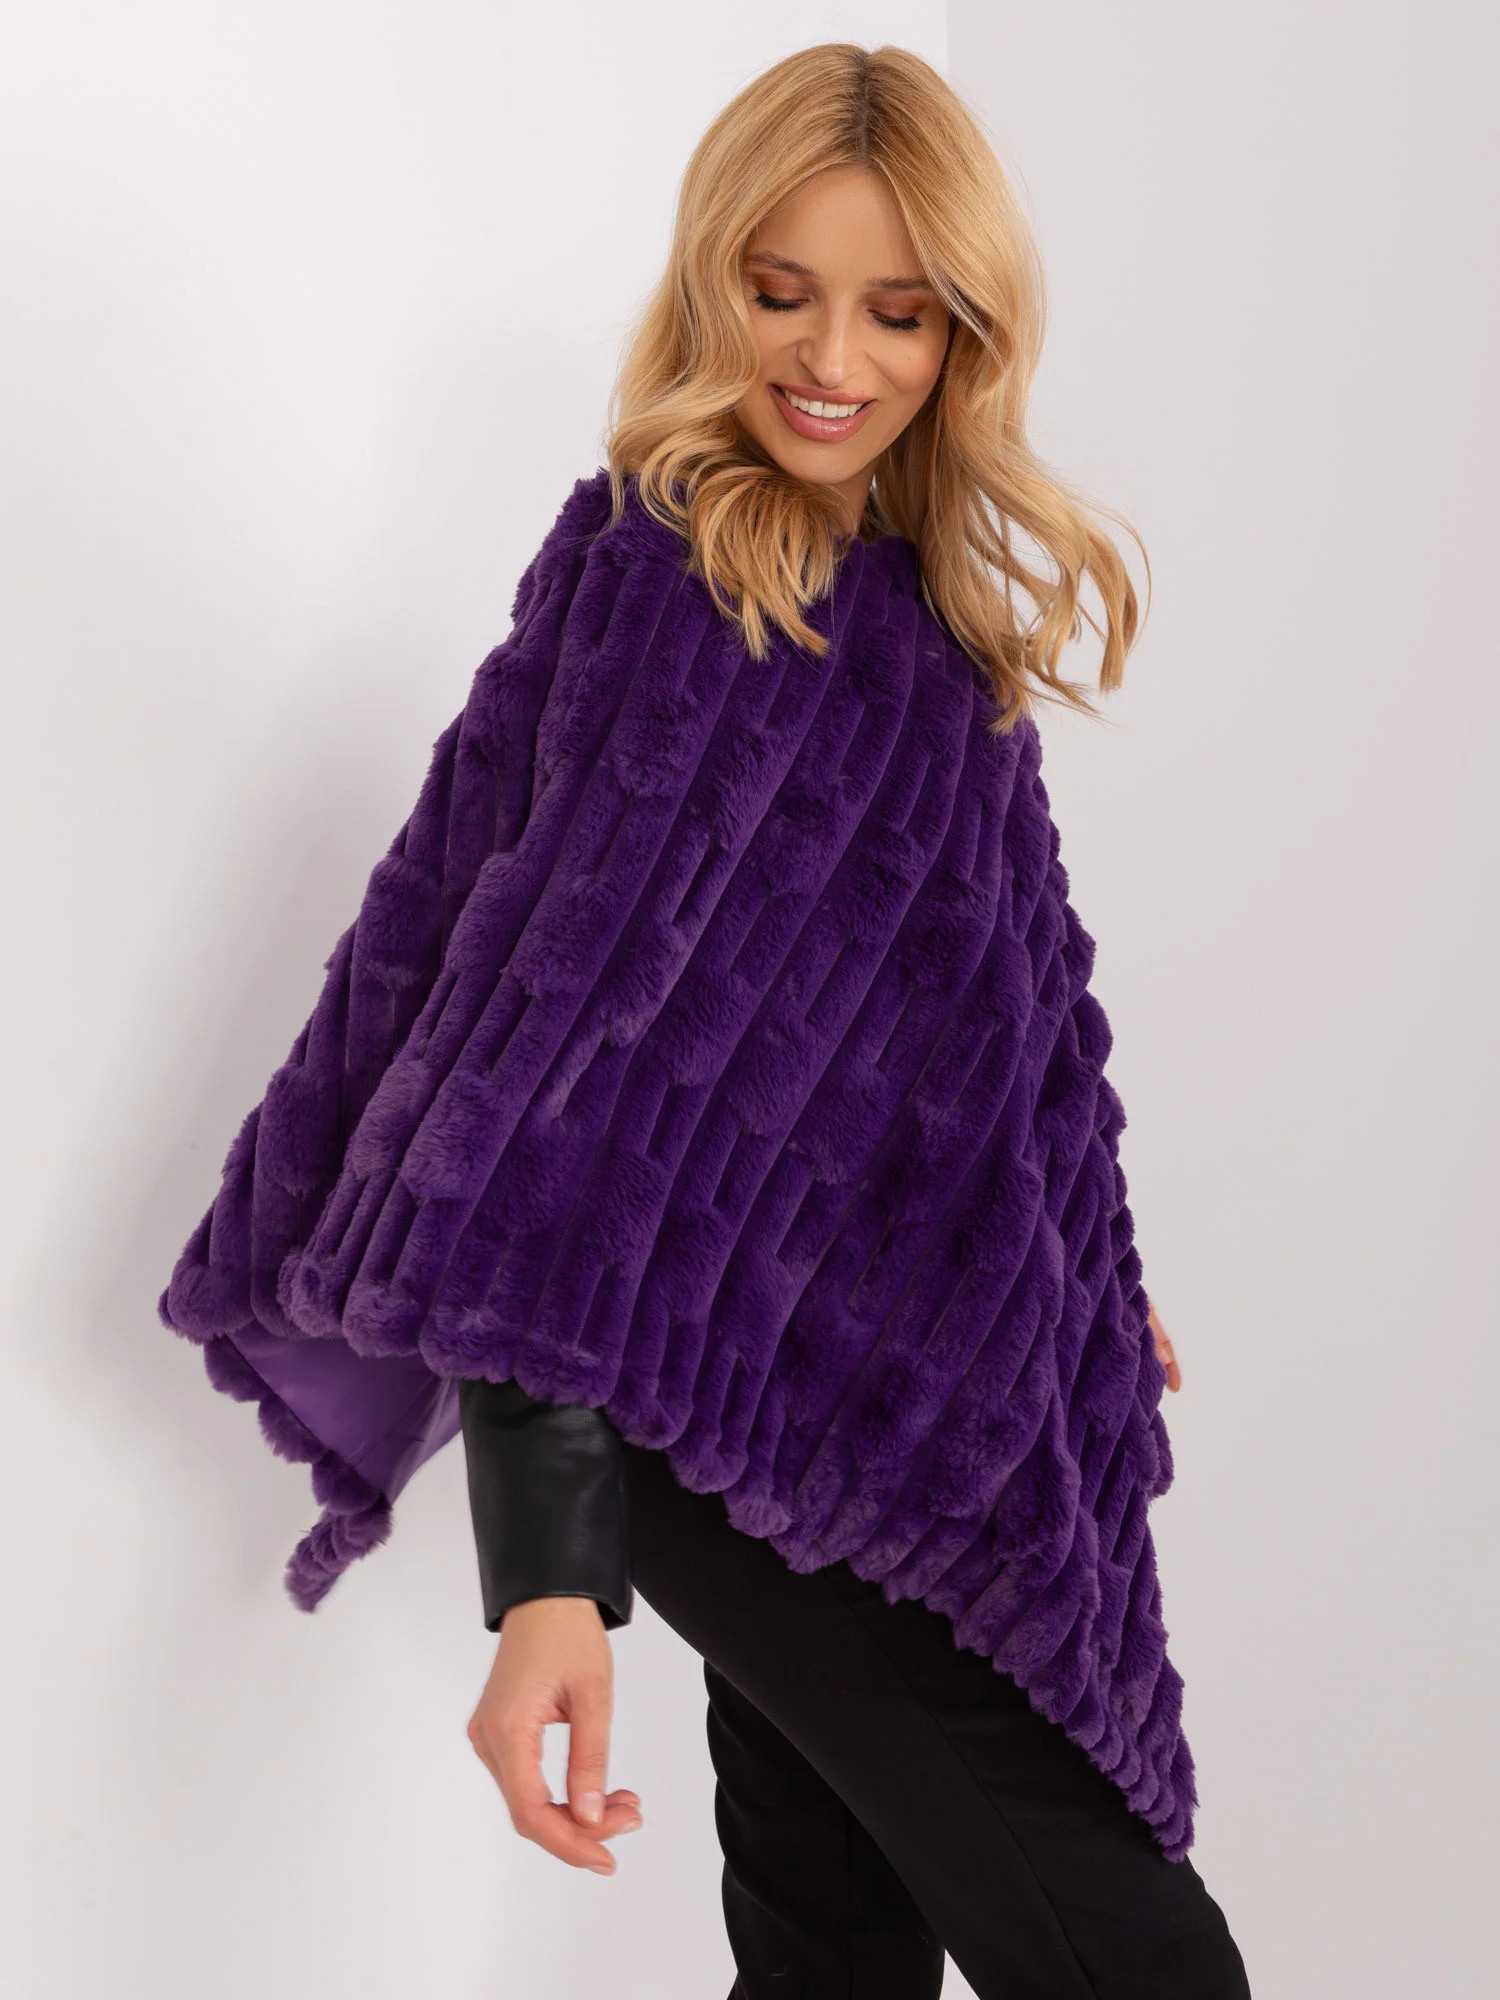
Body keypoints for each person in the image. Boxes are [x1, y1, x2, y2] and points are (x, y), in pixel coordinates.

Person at [451, 42, 1251, 2000]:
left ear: (964, 333)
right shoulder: (674, 586)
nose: (832, 358)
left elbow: (988, 1022)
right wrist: (550, 1573)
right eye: (780, 290)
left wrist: (1064, 1268)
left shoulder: (905, 609)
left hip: (872, 1381)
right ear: (709, 280)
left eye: (898, 311)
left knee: (834, 1951)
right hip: (735, 1416)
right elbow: (531, 1089)